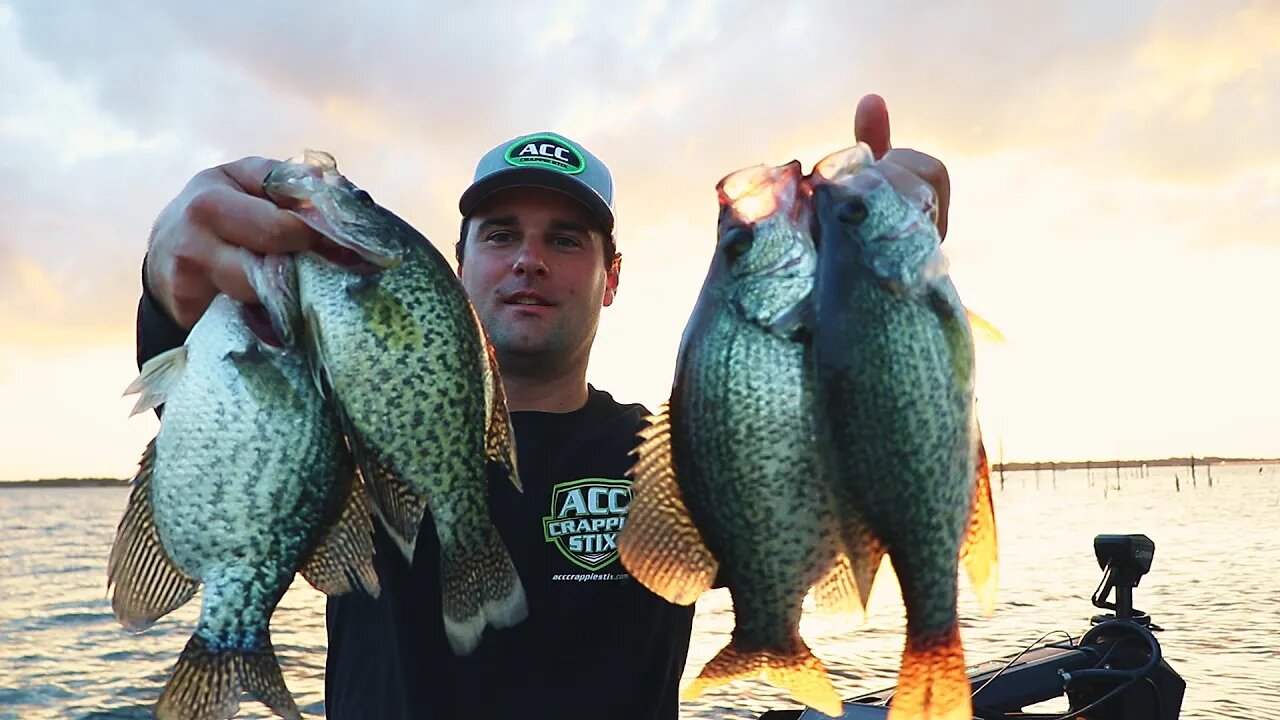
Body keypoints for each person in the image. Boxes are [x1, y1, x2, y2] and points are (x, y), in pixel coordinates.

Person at [134, 93, 951, 720]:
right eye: (499, 234)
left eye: (566, 239)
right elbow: (227, 432)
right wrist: (169, 287)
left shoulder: (684, 448)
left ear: (612, 277)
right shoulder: (347, 426)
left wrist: (875, 302)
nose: (529, 259)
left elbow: (823, 477)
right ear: (454, 267)